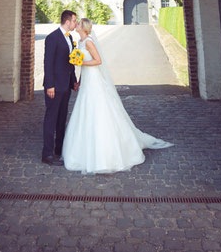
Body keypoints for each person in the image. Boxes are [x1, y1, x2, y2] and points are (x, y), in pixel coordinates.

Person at [62, 18, 173, 173]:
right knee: (85, 110)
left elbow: (98, 61)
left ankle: (108, 154)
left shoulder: (88, 42)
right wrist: (79, 81)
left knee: (99, 110)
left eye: (79, 24)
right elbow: (83, 65)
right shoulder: (80, 42)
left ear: (84, 28)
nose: (77, 25)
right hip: (87, 81)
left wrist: (82, 63)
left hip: (95, 82)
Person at [42, 9, 79, 165]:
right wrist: (49, 85)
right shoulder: (52, 38)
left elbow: (70, 63)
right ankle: (47, 154)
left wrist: (74, 82)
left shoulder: (70, 37)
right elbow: (48, 63)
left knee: (62, 119)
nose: (76, 24)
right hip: (54, 86)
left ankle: (59, 149)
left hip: (66, 86)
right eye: (74, 21)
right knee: (51, 119)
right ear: (67, 21)